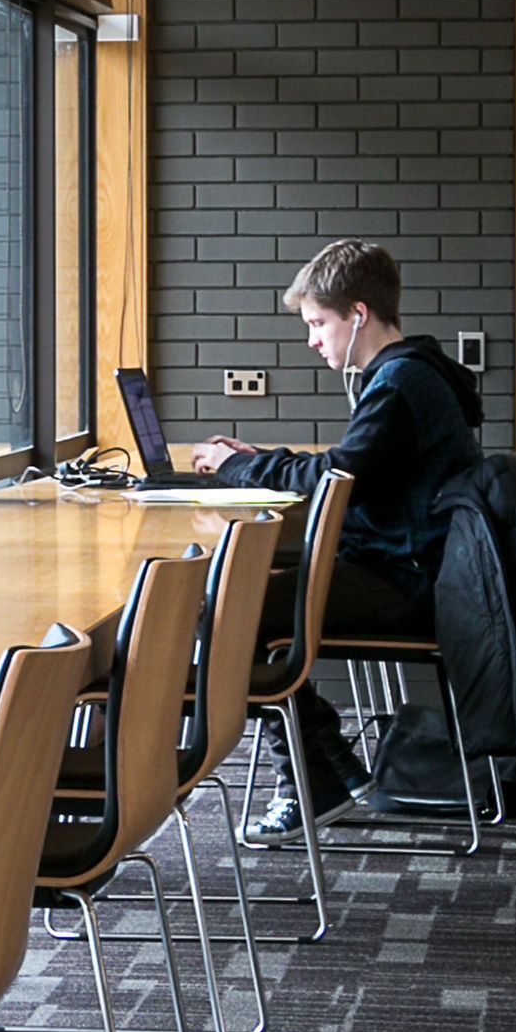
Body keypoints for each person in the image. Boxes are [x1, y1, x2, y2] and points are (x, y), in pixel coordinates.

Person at [192, 238, 480, 843]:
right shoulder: (412, 374)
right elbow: (348, 467)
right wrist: (259, 462)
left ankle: (314, 772)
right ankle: (324, 765)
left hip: (407, 581)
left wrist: (234, 467)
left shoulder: (398, 384)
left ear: (358, 314)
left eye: (319, 323)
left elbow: (335, 479)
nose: (312, 339)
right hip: (409, 566)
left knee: (228, 606)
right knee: (244, 595)